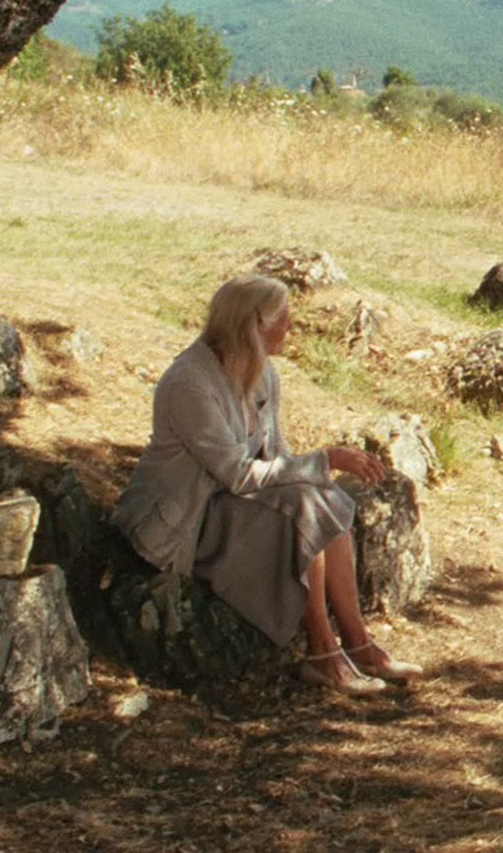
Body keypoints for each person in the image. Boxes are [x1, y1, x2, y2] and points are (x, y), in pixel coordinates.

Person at [111, 274, 422, 695]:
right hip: (183, 522)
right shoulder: (190, 383)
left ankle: (357, 641)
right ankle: (322, 652)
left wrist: (319, 470)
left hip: (230, 504)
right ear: (252, 325)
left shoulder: (262, 373)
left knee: (321, 496)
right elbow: (238, 473)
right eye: (283, 318)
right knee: (306, 507)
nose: (291, 326)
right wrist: (326, 460)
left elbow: (278, 458)